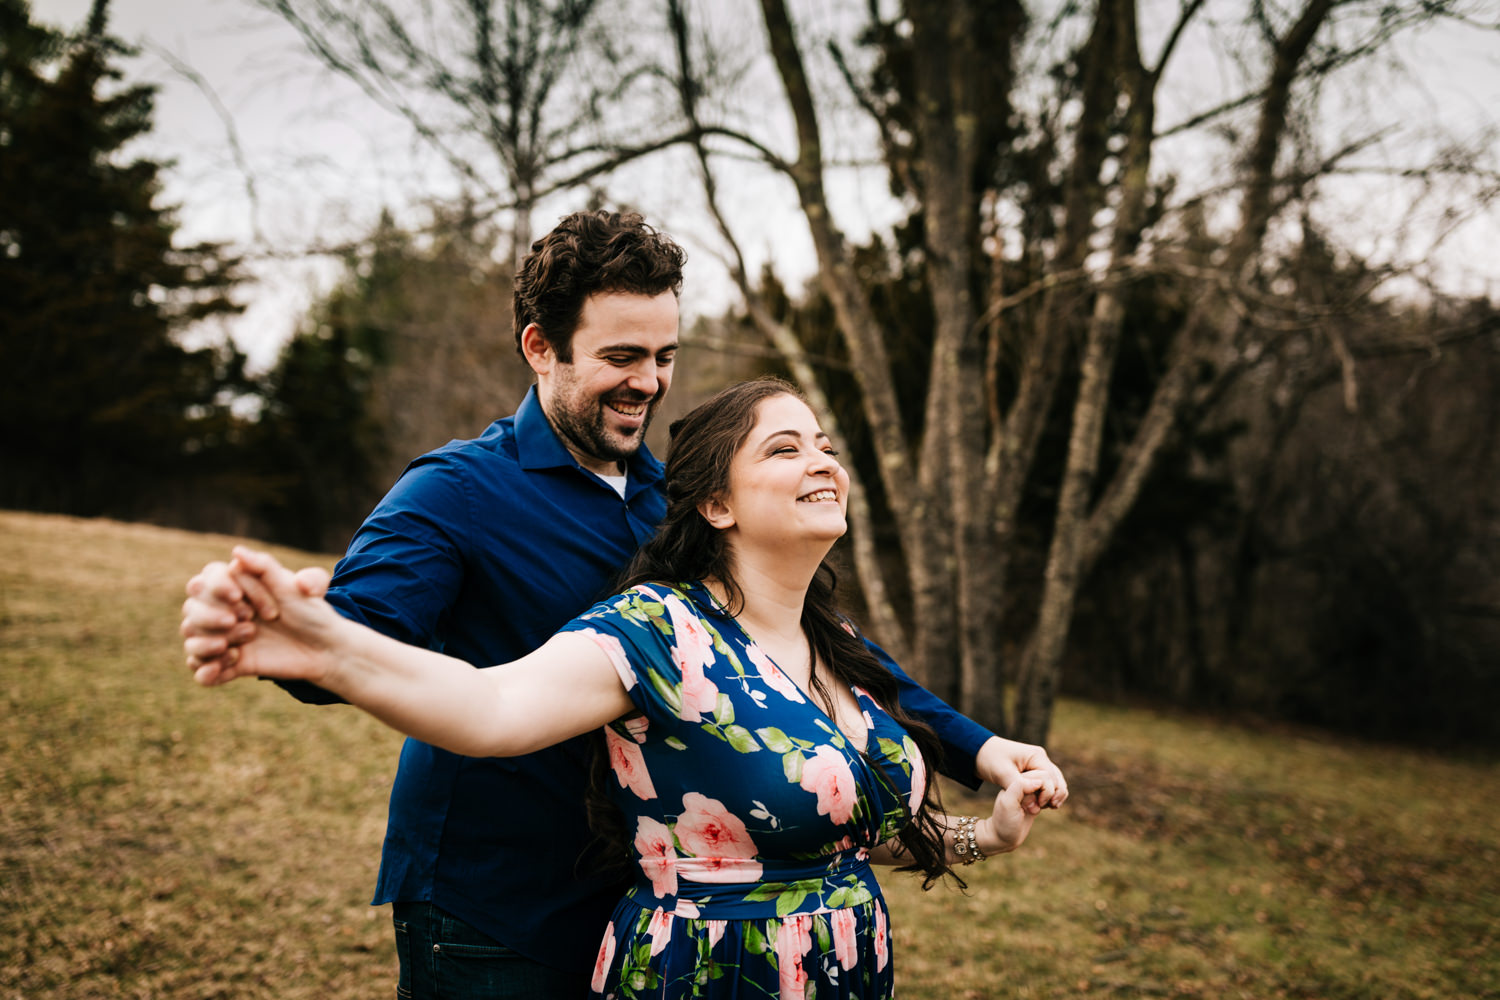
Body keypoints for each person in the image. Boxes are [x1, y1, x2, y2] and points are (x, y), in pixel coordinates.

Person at [181, 210, 1067, 998]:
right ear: (541, 347)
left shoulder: (672, 498)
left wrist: (981, 749)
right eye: (621, 357)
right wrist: (309, 639)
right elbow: (365, 642)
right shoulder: (454, 493)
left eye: (664, 356)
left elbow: (826, 664)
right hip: (499, 906)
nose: (649, 382)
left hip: (658, 887)